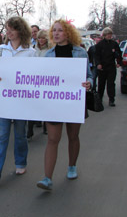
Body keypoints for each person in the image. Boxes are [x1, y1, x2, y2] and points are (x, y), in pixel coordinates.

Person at [36, 19, 92, 191]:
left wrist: (89, 83)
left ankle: (72, 166)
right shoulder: (48, 54)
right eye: (54, 31)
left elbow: (89, 75)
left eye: (60, 30)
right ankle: (47, 178)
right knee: (53, 139)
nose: (56, 34)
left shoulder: (81, 53)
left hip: (74, 102)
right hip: (54, 103)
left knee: (73, 137)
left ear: (68, 33)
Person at [0, 17, 35, 184]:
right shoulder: (1, 50)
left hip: (21, 100)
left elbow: (35, 75)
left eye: (12, 29)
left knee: (20, 134)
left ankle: (21, 162)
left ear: (20, 30)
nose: (8, 32)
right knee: (1, 136)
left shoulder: (31, 52)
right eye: (7, 28)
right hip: (4, 99)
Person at [28, 29, 50, 139]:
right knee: (32, 106)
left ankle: (46, 126)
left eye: (43, 38)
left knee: (45, 105)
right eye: (39, 38)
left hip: (46, 80)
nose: (41, 40)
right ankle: (29, 131)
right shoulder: (33, 49)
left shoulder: (50, 50)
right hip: (35, 80)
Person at [94, 27, 122, 107]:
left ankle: (111, 100)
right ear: (104, 35)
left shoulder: (114, 44)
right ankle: (99, 99)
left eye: (110, 34)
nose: (110, 36)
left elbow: (118, 53)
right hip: (102, 67)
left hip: (111, 67)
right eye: (108, 34)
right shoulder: (99, 45)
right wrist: (98, 64)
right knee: (101, 84)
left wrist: (118, 62)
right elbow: (96, 55)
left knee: (111, 84)